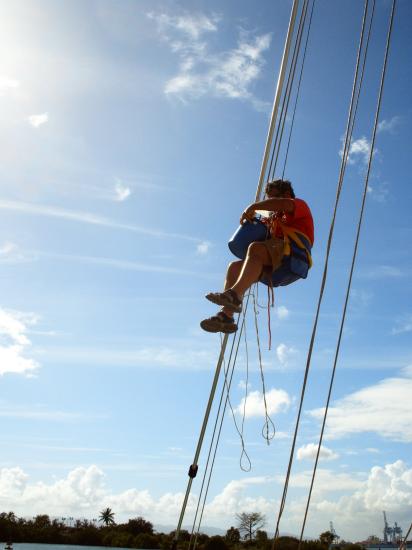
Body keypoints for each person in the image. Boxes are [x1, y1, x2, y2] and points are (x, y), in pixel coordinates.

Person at [200, 178, 314, 333]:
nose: (270, 203)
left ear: (286, 194)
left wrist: (253, 207)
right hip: (276, 263)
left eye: (273, 197)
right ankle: (226, 315)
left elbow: (284, 204)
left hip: (293, 256)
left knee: (256, 249)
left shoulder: (298, 205)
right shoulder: (272, 220)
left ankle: (234, 295)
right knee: (234, 267)